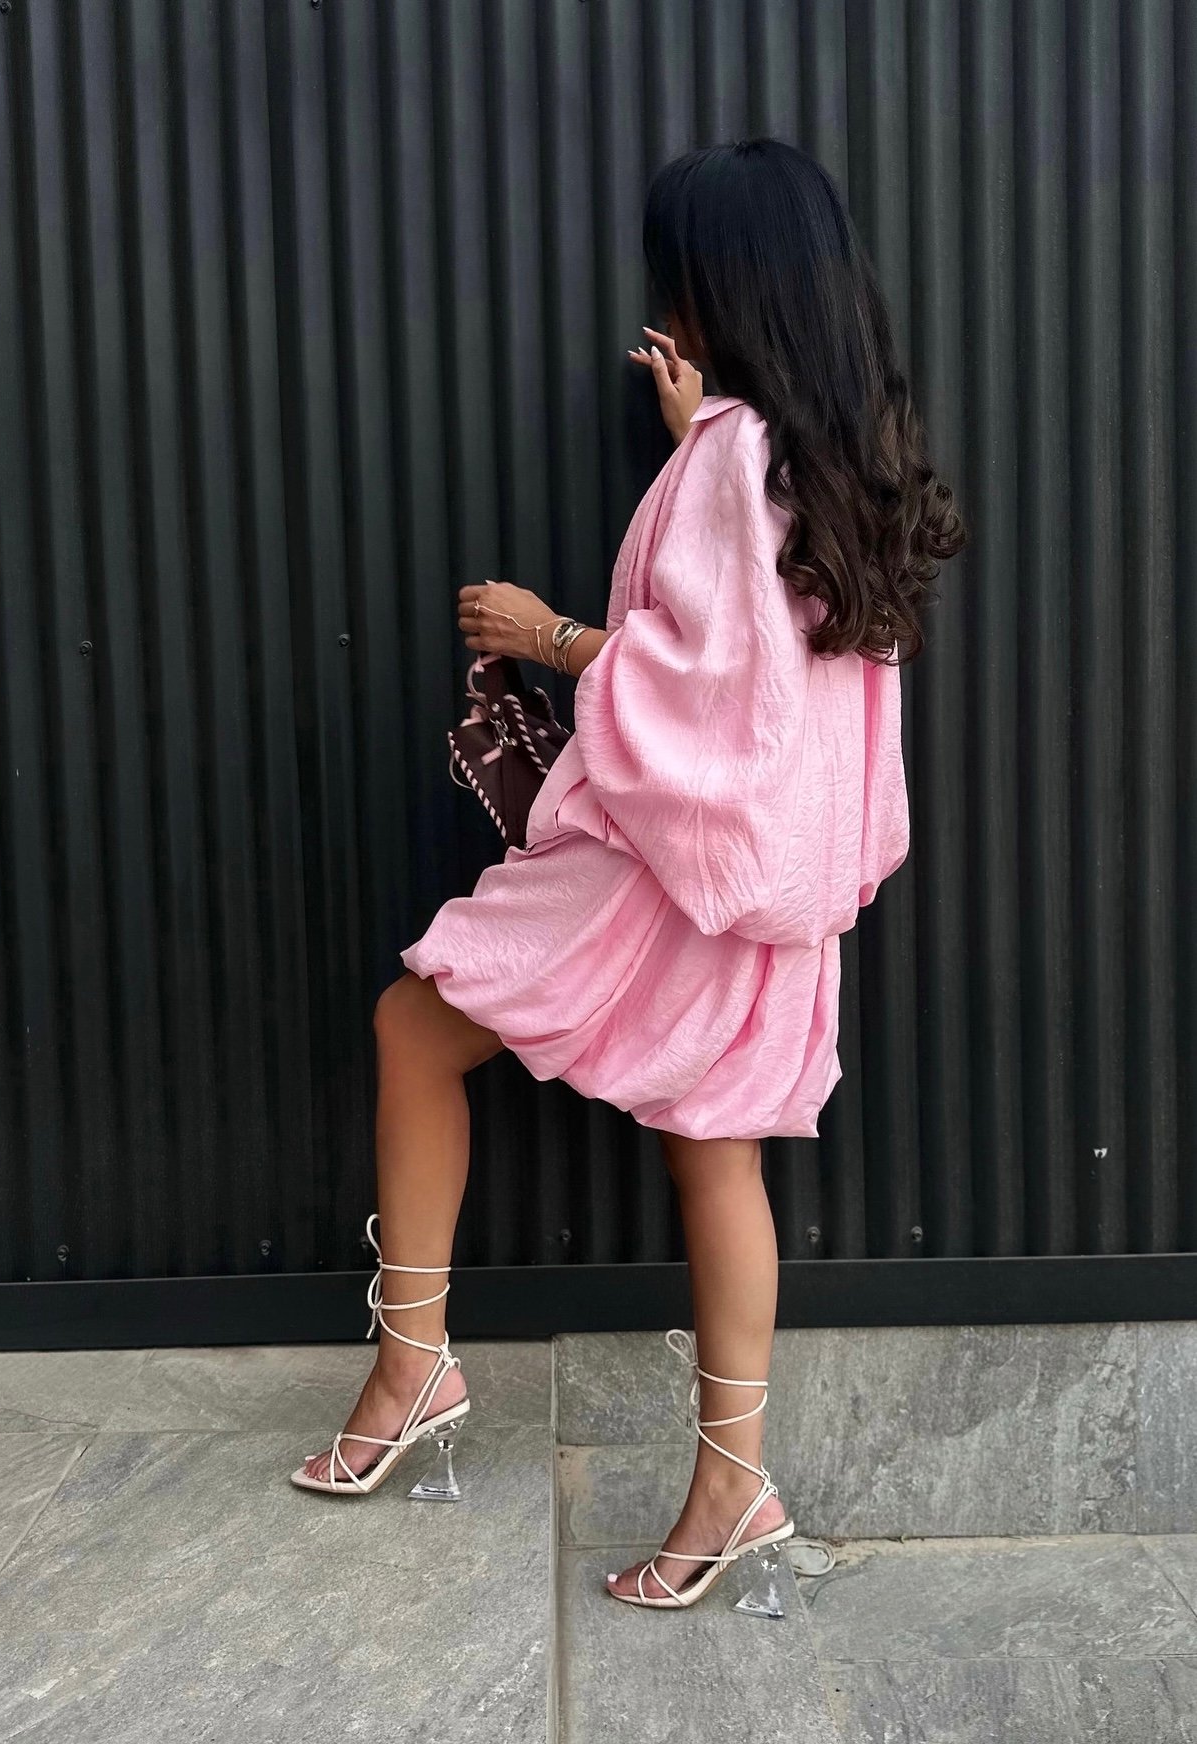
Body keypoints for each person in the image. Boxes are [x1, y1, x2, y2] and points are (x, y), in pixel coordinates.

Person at [289, 137, 964, 1610]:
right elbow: (777, 668)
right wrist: (697, 435)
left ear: (715, 285)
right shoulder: (842, 461)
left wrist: (546, 635)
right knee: (716, 1151)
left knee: (415, 1027)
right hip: (772, 886)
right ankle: (735, 1482)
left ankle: (413, 1366)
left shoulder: (735, 458)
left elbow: (713, 689)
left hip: (662, 867)